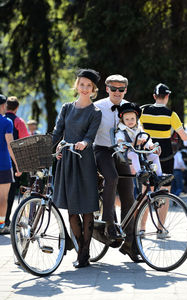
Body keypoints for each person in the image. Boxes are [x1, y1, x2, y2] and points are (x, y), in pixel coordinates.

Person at [52, 68, 102, 268]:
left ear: (93, 89)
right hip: (67, 159)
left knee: (88, 206)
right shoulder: (66, 108)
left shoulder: (95, 112)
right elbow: (58, 131)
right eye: (81, 84)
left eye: (88, 86)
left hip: (85, 159)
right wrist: (53, 148)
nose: (84, 88)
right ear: (77, 85)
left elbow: (90, 136)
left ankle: (85, 253)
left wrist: (84, 143)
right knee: (72, 209)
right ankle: (81, 248)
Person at [94, 74, 142, 262]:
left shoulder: (130, 107)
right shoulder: (97, 107)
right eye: (113, 88)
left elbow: (139, 131)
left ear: (125, 90)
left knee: (129, 195)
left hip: (124, 153)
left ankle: (130, 244)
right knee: (112, 178)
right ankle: (108, 222)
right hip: (103, 150)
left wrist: (149, 144)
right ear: (106, 89)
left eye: (121, 89)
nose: (117, 92)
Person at [140, 83, 187, 238]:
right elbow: (184, 137)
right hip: (165, 157)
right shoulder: (171, 114)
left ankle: (142, 229)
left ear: (154, 96)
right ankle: (161, 229)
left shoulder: (143, 111)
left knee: (146, 190)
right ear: (167, 97)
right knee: (165, 191)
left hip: (147, 155)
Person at [116, 102, 171, 184]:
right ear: (122, 120)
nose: (130, 121)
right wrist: (133, 143)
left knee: (155, 156)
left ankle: (159, 176)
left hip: (141, 152)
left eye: (132, 119)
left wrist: (151, 146)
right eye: (127, 119)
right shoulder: (121, 131)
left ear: (136, 118)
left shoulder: (139, 128)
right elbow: (120, 144)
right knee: (134, 155)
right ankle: (140, 174)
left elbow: (146, 140)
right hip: (128, 152)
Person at [5, 96, 29, 229]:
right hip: (13, 161)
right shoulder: (18, 121)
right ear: (17, 108)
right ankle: (6, 221)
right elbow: (25, 142)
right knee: (9, 193)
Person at [0, 94, 21, 234]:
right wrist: (18, 165)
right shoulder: (7, 122)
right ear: (3, 105)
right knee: (3, 198)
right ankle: (1, 226)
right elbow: (10, 145)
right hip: (4, 165)